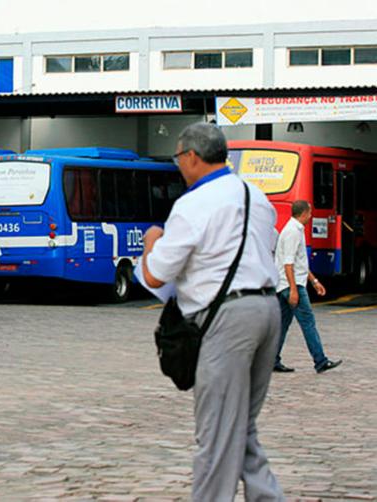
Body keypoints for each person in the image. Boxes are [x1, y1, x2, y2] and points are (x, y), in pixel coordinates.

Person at [140, 123, 284, 500]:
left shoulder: (194, 203)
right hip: (268, 308)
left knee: (217, 430)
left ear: (191, 156)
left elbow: (155, 275)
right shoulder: (256, 196)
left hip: (228, 318)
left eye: (178, 157)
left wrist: (152, 241)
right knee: (242, 424)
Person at [273, 200, 342, 374]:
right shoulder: (292, 232)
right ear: (303, 213)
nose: (311, 216)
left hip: (287, 284)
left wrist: (314, 281)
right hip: (292, 285)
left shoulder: (295, 230)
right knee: (308, 323)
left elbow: (299, 263)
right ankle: (320, 361)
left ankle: (272, 360)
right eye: (310, 213)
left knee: (282, 324)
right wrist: (294, 290)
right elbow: (288, 264)